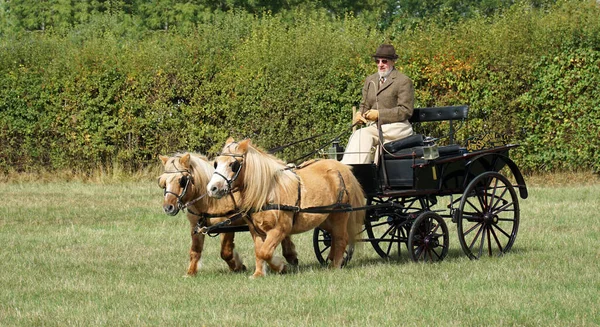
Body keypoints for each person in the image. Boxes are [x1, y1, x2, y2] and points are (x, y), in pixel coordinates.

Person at [340, 44, 415, 164]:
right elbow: (364, 105)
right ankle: (356, 172)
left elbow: (406, 111)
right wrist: (360, 114)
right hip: (375, 128)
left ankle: (351, 172)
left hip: (397, 127)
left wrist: (379, 114)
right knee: (359, 135)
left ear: (393, 61)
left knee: (361, 134)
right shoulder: (370, 80)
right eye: (377, 61)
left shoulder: (403, 81)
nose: (380, 64)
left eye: (384, 61)